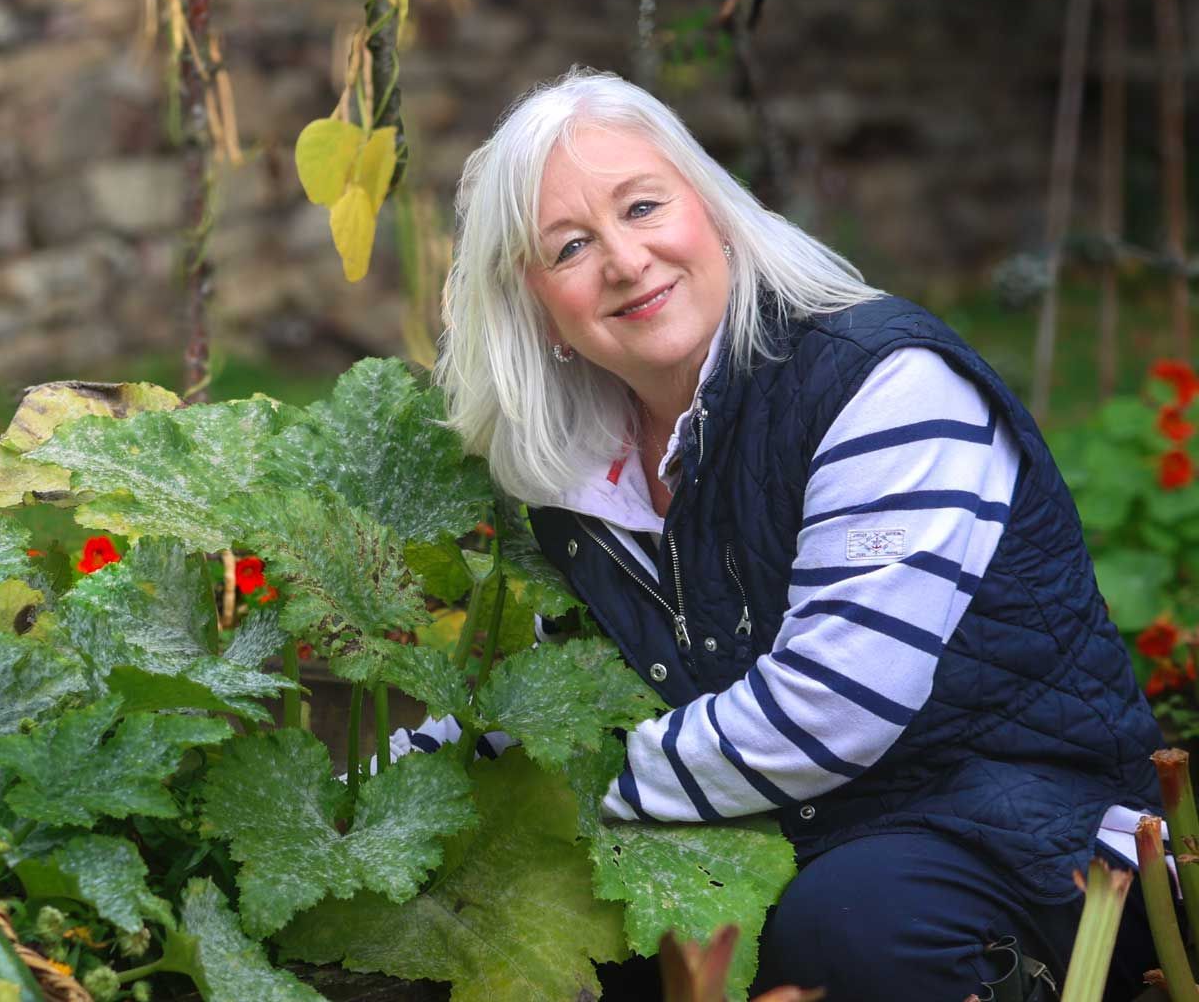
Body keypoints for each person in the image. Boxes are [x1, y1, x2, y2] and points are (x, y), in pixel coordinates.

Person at [423, 66, 1164, 1002]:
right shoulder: (580, 478)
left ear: (716, 213)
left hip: (1016, 830)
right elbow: (542, 699)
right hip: (778, 830)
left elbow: (833, 708)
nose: (623, 258)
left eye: (643, 206)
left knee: (847, 931)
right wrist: (402, 790)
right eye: (570, 246)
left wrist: (563, 792)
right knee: (573, 936)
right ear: (539, 309)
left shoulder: (882, 385)